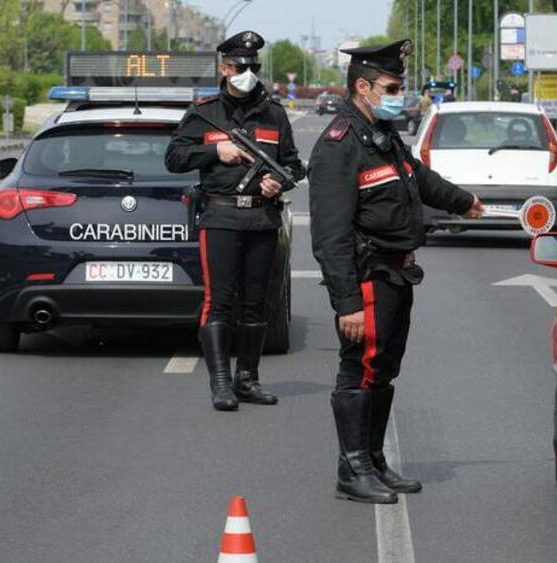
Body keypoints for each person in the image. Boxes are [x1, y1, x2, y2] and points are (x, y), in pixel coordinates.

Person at [308, 39, 485, 504]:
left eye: (400, 85)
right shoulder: (339, 146)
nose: (399, 93)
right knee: (360, 368)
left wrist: (463, 201)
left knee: (383, 369)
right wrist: (346, 302)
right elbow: (330, 237)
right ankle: (353, 469)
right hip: (368, 275)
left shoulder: (383, 136)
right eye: (391, 85)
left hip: (398, 275)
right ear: (362, 86)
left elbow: (419, 178)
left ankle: (374, 460)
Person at [165, 31, 305, 412]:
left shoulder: (273, 113)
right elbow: (175, 158)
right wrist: (215, 151)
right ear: (224, 69)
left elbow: (293, 163)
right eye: (240, 66)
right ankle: (221, 383)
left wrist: (281, 180)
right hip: (221, 215)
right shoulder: (204, 112)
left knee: (257, 303)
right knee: (220, 301)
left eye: (253, 67)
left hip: (262, 216)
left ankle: (248, 379)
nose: (247, 73)